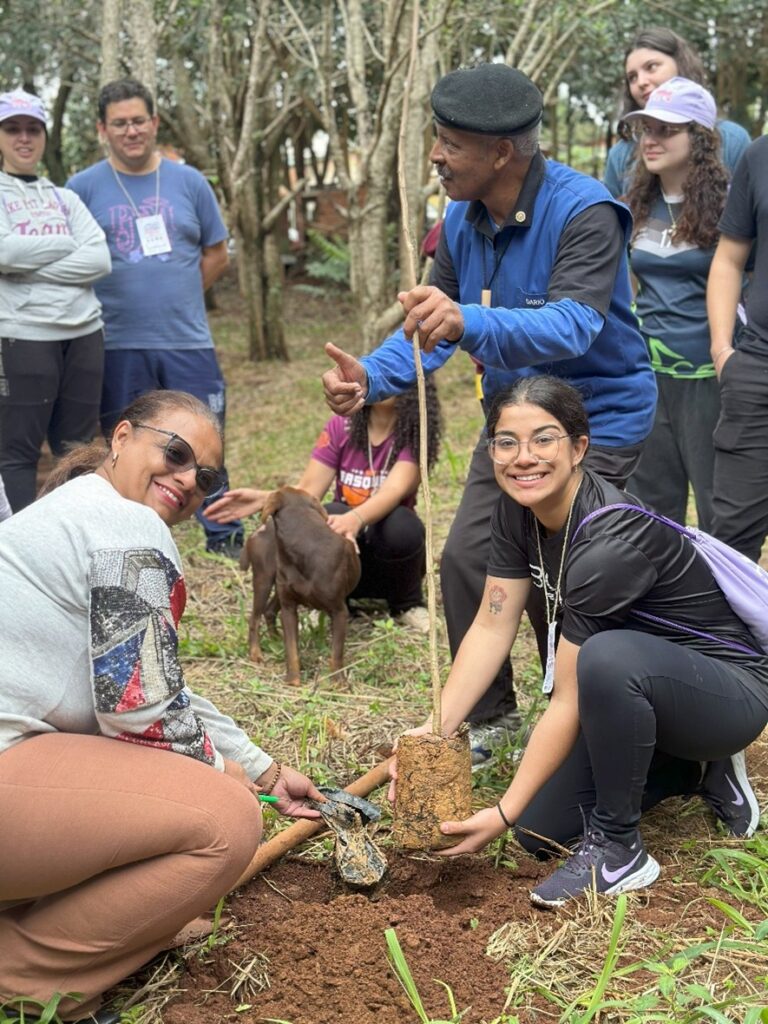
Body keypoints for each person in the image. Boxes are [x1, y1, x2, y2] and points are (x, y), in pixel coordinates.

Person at [322, 62, 657, 764]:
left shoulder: (585, 211)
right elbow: (430, 329)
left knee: (578, 575)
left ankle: (605, 719)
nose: (437, 157)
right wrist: (372, 377)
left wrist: (469, 320)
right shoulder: (460, 220)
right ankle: (491, 717)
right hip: (511, 419)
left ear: (502, 153)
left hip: (596, 422)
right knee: (469, 558)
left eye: (449, 144)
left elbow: (572, 325)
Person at [0, 389, 323, 1021]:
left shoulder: (73, 512)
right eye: (173, 452)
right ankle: (22, 979)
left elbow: (152, 681)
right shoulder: (127, 523)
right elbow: (140, 710)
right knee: (224, 821)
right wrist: (238, 785)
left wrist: (262, 769)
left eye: (204, 476)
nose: (186, 479)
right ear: (121, 437)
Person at [392, 376, 767, 907]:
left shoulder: (607, 544)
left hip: (728, 691)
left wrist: (501, 811)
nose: (524, 458)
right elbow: (492, 625)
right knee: (539, 831)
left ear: (578, 448)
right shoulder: (517, 508)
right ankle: (681, 766)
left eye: (544, 439)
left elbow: (569, 694)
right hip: (644, 688)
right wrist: (432, 734)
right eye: (506, 442)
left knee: (605, 659)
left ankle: (621, 848)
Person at [66, 78, 243, 558]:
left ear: (155, 122)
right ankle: (126, 535)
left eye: (138, 121)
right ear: (103, 129)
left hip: (187, 338)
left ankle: (223, 536)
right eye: (119, 123)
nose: (131, 131)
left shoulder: (189, 182)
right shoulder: (80, 188)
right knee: (126, 442)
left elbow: (217, 253)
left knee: (207, 435)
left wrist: (179, 296)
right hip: (116, 339)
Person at [207, 381, 443, 632]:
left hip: (392, 562)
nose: (384, 382)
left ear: (412, 387)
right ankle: (335, 601)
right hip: (347, 562)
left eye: (393, 377)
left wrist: (355, 519)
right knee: (332, 513)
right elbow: (309, 490)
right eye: (378, 375)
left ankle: (406, 604)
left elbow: (394, 491)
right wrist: (270, 498)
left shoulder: (416, 434)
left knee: (402, 524)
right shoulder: (342, 426)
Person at [622, 79, 729, 531]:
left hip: (711, 376)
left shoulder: (729, 206)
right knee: (653, 506)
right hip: (650, 375)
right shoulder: (635, 205)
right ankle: (665, 600)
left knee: (718, 505)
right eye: (646, 128)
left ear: (699, 138)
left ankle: (731, 600)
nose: (651, 139)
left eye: (666, 130)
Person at [0, 87, 111, 513]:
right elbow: (5, 253)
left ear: (45, 135)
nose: (24, 138)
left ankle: (73, 537)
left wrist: (26, 267)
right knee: (18, 450)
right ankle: (18, 548)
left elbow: (99, 259)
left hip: (84, 332)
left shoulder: (66, 199)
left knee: (78, 449)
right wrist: (65, 246)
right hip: (22, 335)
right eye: (13, 129)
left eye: (32, 128)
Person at [707, 135, 768, 562]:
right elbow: (729, 259)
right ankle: (729, 633)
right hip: (757, 371)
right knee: (730, 544)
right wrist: (722, 350)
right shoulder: (760, 155)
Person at [604, 27, 749, 199]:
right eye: (632, 77)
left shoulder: (731, 139)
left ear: (681, 65)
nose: (641, 82)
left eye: (651, 67)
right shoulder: (620, 154)